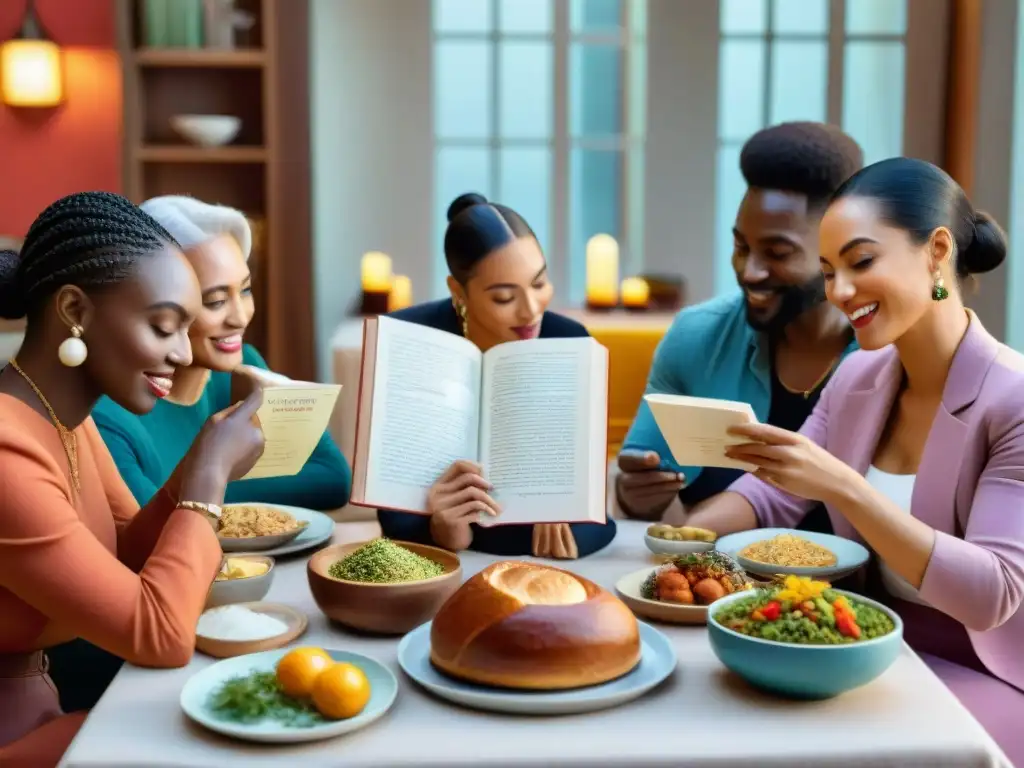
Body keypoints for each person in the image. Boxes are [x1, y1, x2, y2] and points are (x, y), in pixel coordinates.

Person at [687, 157, 1024, 765]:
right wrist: (680, 542)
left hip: (984, 671)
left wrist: (845, 487)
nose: (838, 292)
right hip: (868, 645)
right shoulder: (860, 375)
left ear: (936, 252)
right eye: (828, 271)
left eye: (861, 263)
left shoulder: (1013, 399)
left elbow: (992, 594)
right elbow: (775, 493)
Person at [0, 192, 265, 766]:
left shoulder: (65, 417)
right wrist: (209, 478)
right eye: (163, 326)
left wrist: (198, 461)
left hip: (43, 708)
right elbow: (160, 635)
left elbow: (128, 555)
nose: (178, 352)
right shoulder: (6, 451)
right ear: (75, 309)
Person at [616, 121, 863, 532]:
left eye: (777, 253)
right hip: (717, 583)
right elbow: (638, 496)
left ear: (839, 248)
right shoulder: (697, 338)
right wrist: (634, 492)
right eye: (741, 247)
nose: (750, 272)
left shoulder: (886, 358)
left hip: (852, 593)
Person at [378, 192, 617, 559]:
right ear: (458, 291)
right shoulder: (409, 341)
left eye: (539, 284)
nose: (531, 311)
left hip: (542, 569)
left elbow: (597, 516)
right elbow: (394, 521)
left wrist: (572, 528)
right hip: (440, 565)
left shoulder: (570, 341)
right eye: (504, 297)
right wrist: (439, 530)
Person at [92, 195, 351, 511]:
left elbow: (333, 478)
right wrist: (212, 479)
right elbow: (146, 519)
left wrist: (206, 486)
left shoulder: (244, 370)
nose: (240, 317)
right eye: (215, 301)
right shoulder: (109, 411)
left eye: (244, 290)